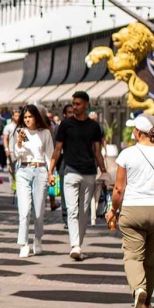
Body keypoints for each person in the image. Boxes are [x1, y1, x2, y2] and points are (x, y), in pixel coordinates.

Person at [105, 112, 154, 308]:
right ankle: (148, 301)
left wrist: (113, 210)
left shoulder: (126, 154)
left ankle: (139, 289)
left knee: (133, 256)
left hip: (132, 210)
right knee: (151, 258)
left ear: (137, 132)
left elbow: (119, 189)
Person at [49, 91, 107, 261]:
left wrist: (103, 170)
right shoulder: (65, 125)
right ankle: (75, 245)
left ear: (86, 104)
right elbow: (58, 149)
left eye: (78, 104)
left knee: (84, 211)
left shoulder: (94, 126)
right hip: (70, 172)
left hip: (89, 172)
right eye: (73, 103)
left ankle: (78, 244)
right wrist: (51, 170)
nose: (75, 107)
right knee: (72, 210)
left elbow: (97, 151)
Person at [13, 104, 53, 257]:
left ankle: (38, 239)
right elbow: (17, 154)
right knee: (24, 210)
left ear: (36, 117)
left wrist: (51, 174)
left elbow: (49, 154)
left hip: (41, 170)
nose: (28, 120)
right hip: (23, 170)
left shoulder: (45, 133)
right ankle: (23, 243)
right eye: (25, 117)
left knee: (39, 210)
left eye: (30, 116)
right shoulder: (20, 132)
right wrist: (19, 142)